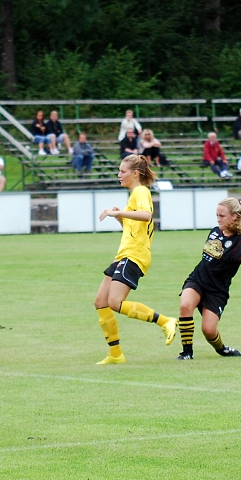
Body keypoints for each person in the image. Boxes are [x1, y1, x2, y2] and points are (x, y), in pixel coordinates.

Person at [94, 155, 177, 365]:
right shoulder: (133, 195)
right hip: (124, 253)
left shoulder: (141, 191)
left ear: (135, 174)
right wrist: (120, 216)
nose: (119, 175)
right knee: (101, 302)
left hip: (134, 255)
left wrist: (120, 212)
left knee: (114, 302)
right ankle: (115, 354)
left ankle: (166, 321)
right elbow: (133, 227)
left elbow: (147, 216)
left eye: (122, 171)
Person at [176, 198, 241, 360]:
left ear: (234, 216)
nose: (218, 219)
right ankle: (187, 352)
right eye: (217, 215)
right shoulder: (214, 231)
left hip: (217, 290)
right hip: (198, 279)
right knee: (185, 306)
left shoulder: (240, 241)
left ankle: (222, 349)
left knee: (209, 330)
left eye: (222, 216)